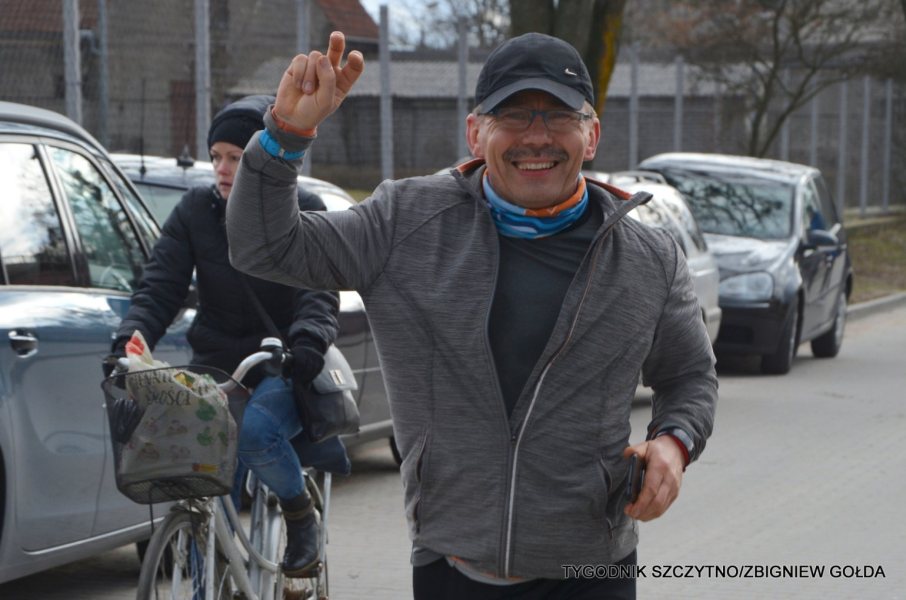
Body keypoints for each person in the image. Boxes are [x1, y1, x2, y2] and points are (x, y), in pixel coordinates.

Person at [226, 32, 718, 599]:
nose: (537, 136)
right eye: (513, 115)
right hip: (451, 565)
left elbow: (690, 377)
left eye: (560, 116)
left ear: (592, 136)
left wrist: (673, 443)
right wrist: (284, 137)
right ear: (475, 132)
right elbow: (264, 247)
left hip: (593, 570)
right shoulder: (402, 223)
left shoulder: (648, 259)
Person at [105, 94, 349, 577]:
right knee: (199, 464)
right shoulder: (196, 211)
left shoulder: (303, 208)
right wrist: (129, 340)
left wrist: (307, 343)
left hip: (279, 363)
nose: (221, 168)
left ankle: (300, 514)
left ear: (262, 161)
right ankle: (212, 561)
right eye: (216, 156)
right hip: (216, 363)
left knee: (256, 434)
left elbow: (318, 290)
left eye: (236, 157)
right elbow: (159, 288)